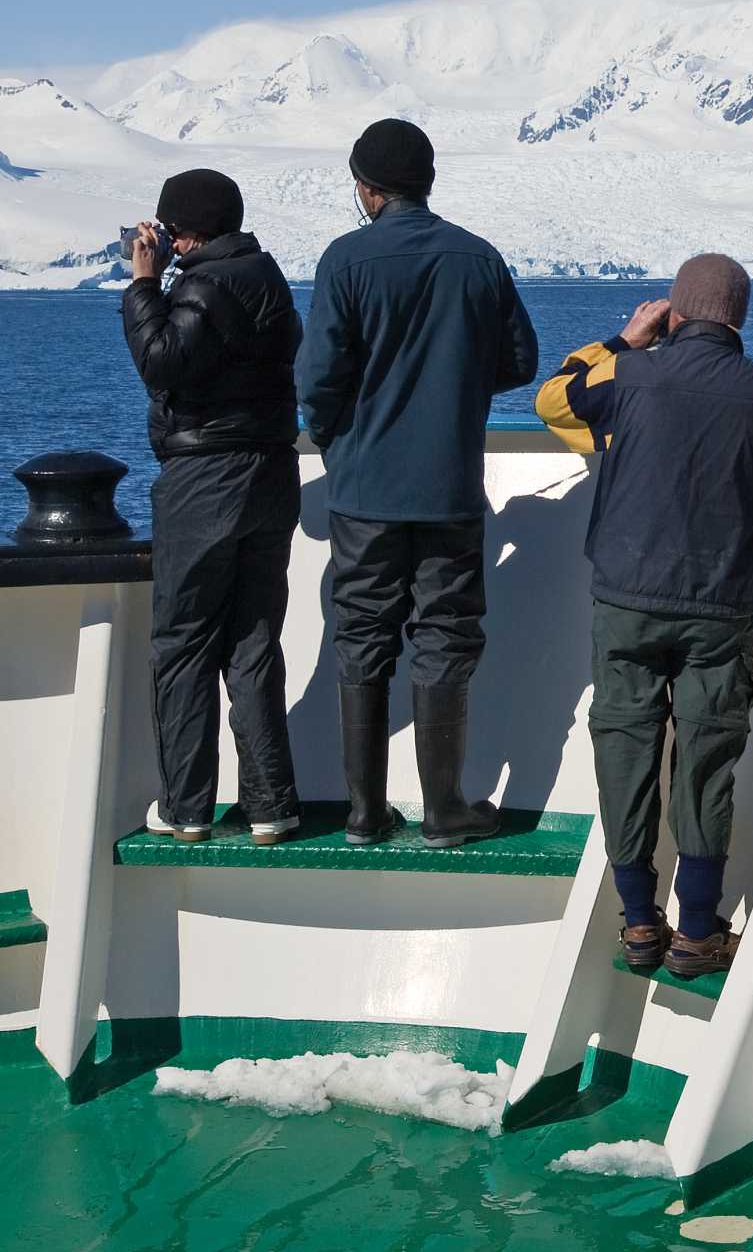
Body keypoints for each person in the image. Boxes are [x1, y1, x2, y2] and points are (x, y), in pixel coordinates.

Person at [536, 254, 753, 979]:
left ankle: (640, 921)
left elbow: (553, 403)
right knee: (707, 763)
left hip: (628, 599)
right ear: (739, 317)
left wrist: (624, 340)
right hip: (721, 603)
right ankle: (699, 930)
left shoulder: (629, 377)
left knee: (625, 752)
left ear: (674, 311)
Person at [297, 119, 538, 847]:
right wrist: (458, 383)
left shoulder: (345, 260)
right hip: (449, 489)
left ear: (367, 189)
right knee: (445, 636)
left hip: (364, 489)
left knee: (362, 637)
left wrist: (339, 438)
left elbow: (316, 380)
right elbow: (521, 362)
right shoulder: (478, 258)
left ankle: (365, 813)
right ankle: (445, 811)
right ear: (427, 181)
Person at [121, 169, 304, 844]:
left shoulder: (202, 283)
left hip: (205, 477)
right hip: (270, 471)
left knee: (183, 642)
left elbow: (163, 363)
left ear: (178, 231)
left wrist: (145, 286)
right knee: (254, 640)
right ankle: (271, 805)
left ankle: (186, 809)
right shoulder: (269, 277)